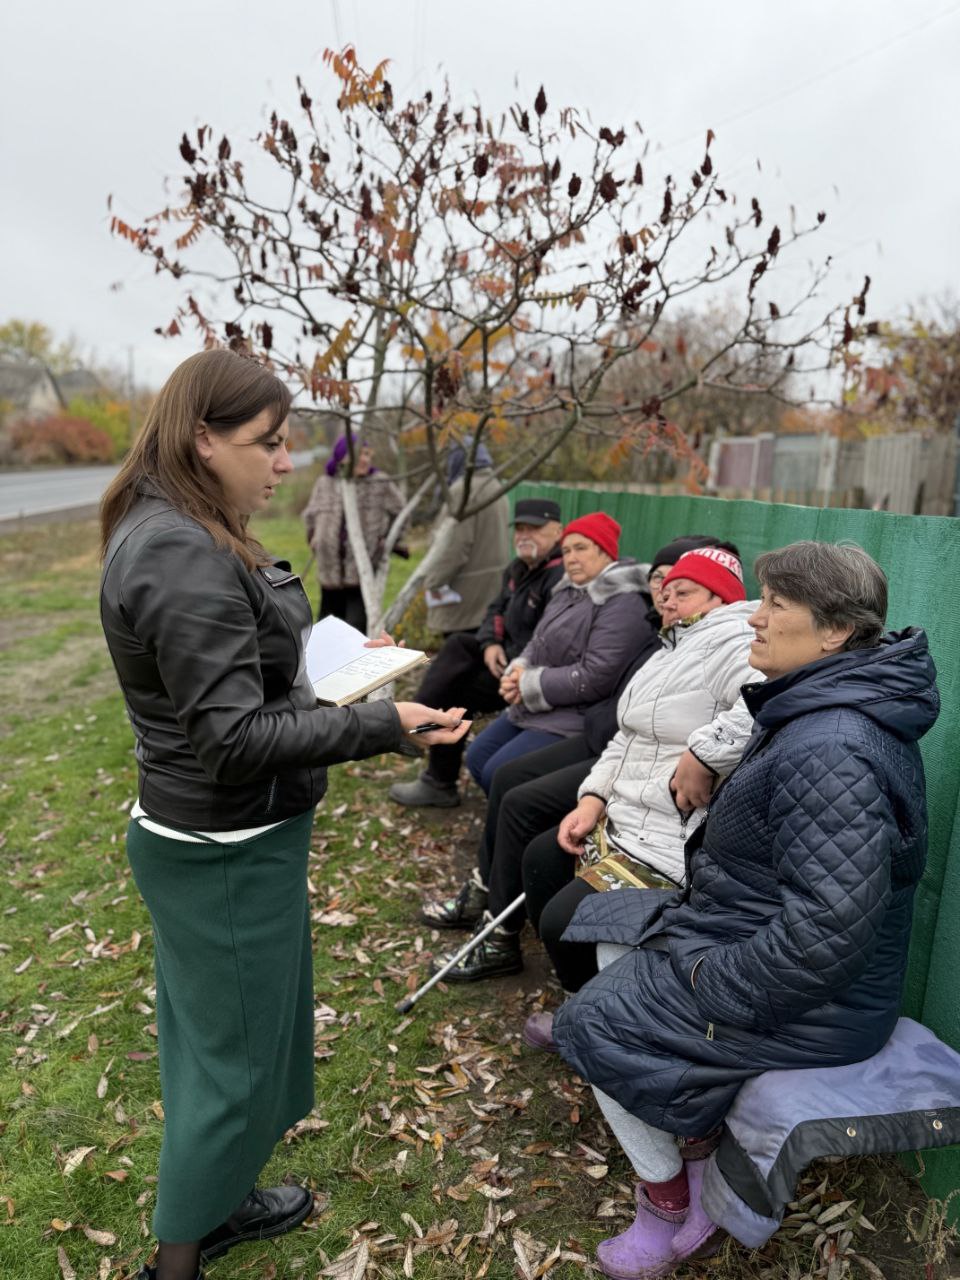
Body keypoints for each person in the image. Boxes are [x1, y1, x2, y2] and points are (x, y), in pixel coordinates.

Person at [98, 349, 468, 1280]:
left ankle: (218, 1199)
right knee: (234, 1075)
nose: (284, 460)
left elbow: (242, 673)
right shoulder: (178, 547)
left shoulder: (193, 523)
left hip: (230, 835)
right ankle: (178, 1257)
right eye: (266, 443)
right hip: (223, 850)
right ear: (202, 439)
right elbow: (227, 738)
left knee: (234, 1049)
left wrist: (343, 667)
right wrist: (382, 722)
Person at [550, 542, 939, 1279]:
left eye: (773, 606)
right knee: (607, 932)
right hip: (756, 942)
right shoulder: (819, 703)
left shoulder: (834, 749)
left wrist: (702, 981)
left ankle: (667, 1198)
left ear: (833, 632)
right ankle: (693, 1146)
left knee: (590, 1022)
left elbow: (826, 937)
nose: (753, 619)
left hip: (822, 999)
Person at [438, 545, 755, 985]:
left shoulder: (733, 642)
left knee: (561, 919)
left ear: (719, 600)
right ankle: (568, 982)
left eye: (684, 592)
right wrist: (591, 798)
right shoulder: (667, 650)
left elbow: (764, 702)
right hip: (625, 810)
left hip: (670, 833)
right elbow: (625, 738)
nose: (667, 599)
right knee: (542, 858)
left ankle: (591, 1010)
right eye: (666, 590)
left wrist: (705, 754)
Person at [389, 497, 565, 808]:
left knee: (457, 689)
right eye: (520, 528)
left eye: (535, 529)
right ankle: (422, 736)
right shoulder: (518, 569)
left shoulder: (558, 577)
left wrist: (513, 660)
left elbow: (550, 640)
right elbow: (495, 610)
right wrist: (490, 643)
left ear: (558, 532)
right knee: (459, 646)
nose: (524, 535)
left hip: (528, 675)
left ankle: (429, 759)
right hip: (502, 656)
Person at [464, 511, 651, 795]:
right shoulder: (567, 591)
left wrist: (528, 683)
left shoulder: (622, 603)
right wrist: (518, 669)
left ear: (606, 552)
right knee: (477, 756)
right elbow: (537, 642)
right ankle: (503, 819)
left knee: (498, 771)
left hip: (574, 717)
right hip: (535, 706)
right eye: (565, 550)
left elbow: (596, 676)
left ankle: (512, 826)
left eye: (581, 548)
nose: (571, 558)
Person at [302, 434, 405, 632]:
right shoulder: (325, 483)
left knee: (355, 628)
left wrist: (389, 540)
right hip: (329, 571)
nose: (365, 459)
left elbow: (402, 513)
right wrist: (315, 538)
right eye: (359, 454)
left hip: (361, 572)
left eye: (368, 454)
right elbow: (310, 516)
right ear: (342, 457)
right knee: (326, 627)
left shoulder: (379, 483)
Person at [421, 437, 511, 637]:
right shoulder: (496, 486)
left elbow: (452, 548)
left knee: (459, 655)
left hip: (463, 595)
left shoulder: (463, 491)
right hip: (491, 589)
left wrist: (432, 583)